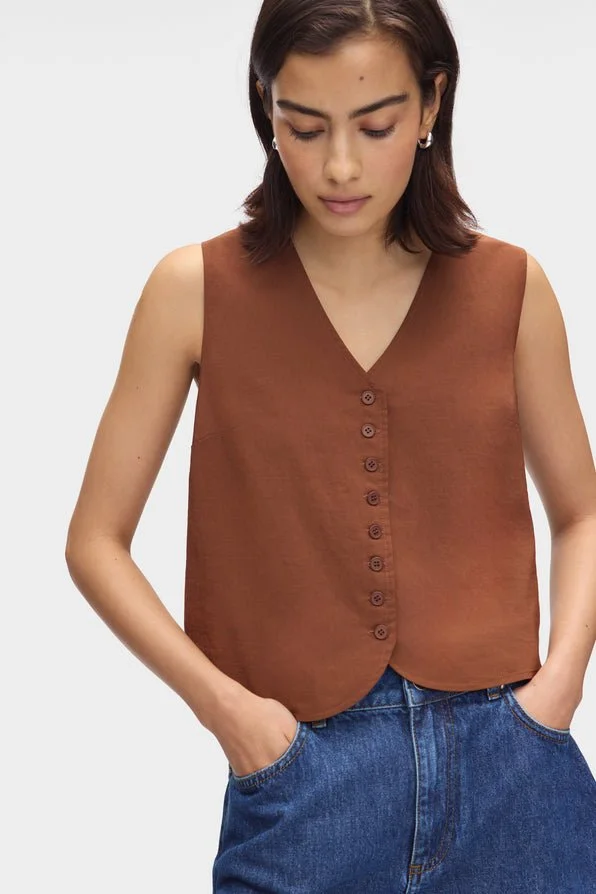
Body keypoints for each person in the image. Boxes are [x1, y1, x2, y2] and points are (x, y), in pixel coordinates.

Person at [65, 0, 596, 891]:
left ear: (431, 105)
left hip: (515, 775)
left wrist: (558, 694)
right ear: (265, 107)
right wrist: (228, 712)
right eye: (304, 128)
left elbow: (581, 512)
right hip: (304, 783)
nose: (339, 166)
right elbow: (94, 542)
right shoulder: (194, 291)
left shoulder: (512, 287)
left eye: (375, 126)